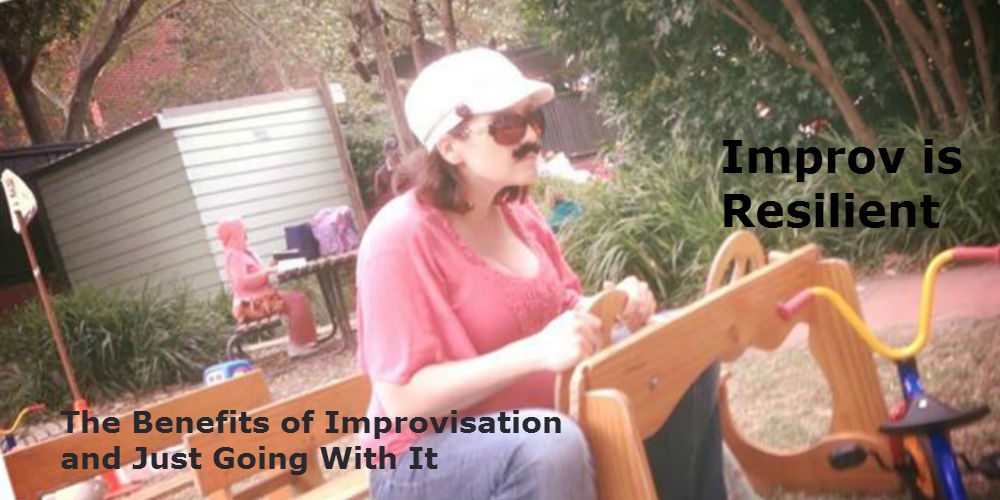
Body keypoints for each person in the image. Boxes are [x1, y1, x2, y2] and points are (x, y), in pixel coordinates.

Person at [355, 48, 726, 499]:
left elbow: (564, 308)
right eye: (507, 125)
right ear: (450, 147)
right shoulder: (398, 238)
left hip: (531, 420)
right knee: (549, 443)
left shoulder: (519, 213)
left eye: (533, 118)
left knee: (681, 345)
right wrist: (534, 352)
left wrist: (615, 306)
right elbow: (402, 400)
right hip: (419, 459)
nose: (531, 135)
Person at [217, 218, 319, 358]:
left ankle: (303, 342)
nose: (245, 235)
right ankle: (298, 345)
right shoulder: (234, 255)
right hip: (247, 306)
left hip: (256, 301)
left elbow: (257, 274)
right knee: (297, 300)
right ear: (233, 234)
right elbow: (242, 283)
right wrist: (267, 272)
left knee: (297, 298)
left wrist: (271, 266)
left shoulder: (242, 252)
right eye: (242, 232)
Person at [372, 136, 404, 214]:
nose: (394, 152)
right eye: (391, 150)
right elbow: (380, 198)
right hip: (395, 210)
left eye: (396, 148)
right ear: (386, 153)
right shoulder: (380, 174)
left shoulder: (406, 165)